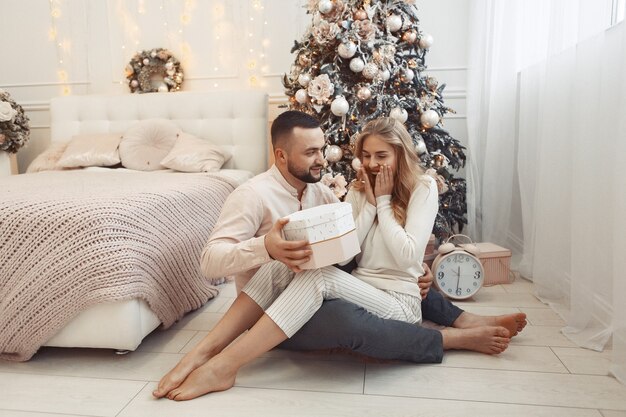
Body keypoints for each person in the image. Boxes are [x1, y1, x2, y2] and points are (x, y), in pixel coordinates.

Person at [153, 111, 526, 401]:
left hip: (359, 295)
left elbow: (354, 253)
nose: (324, 160)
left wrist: (414, 263)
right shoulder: (252, 195)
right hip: (269, 314)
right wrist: (266, 247)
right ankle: (205, 356)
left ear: (399, 154)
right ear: (282, 155)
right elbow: (210, 262)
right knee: (291, 273)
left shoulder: (324, 193)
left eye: (323, 148)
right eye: (312, 152)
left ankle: (461, 325)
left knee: (327, 285)